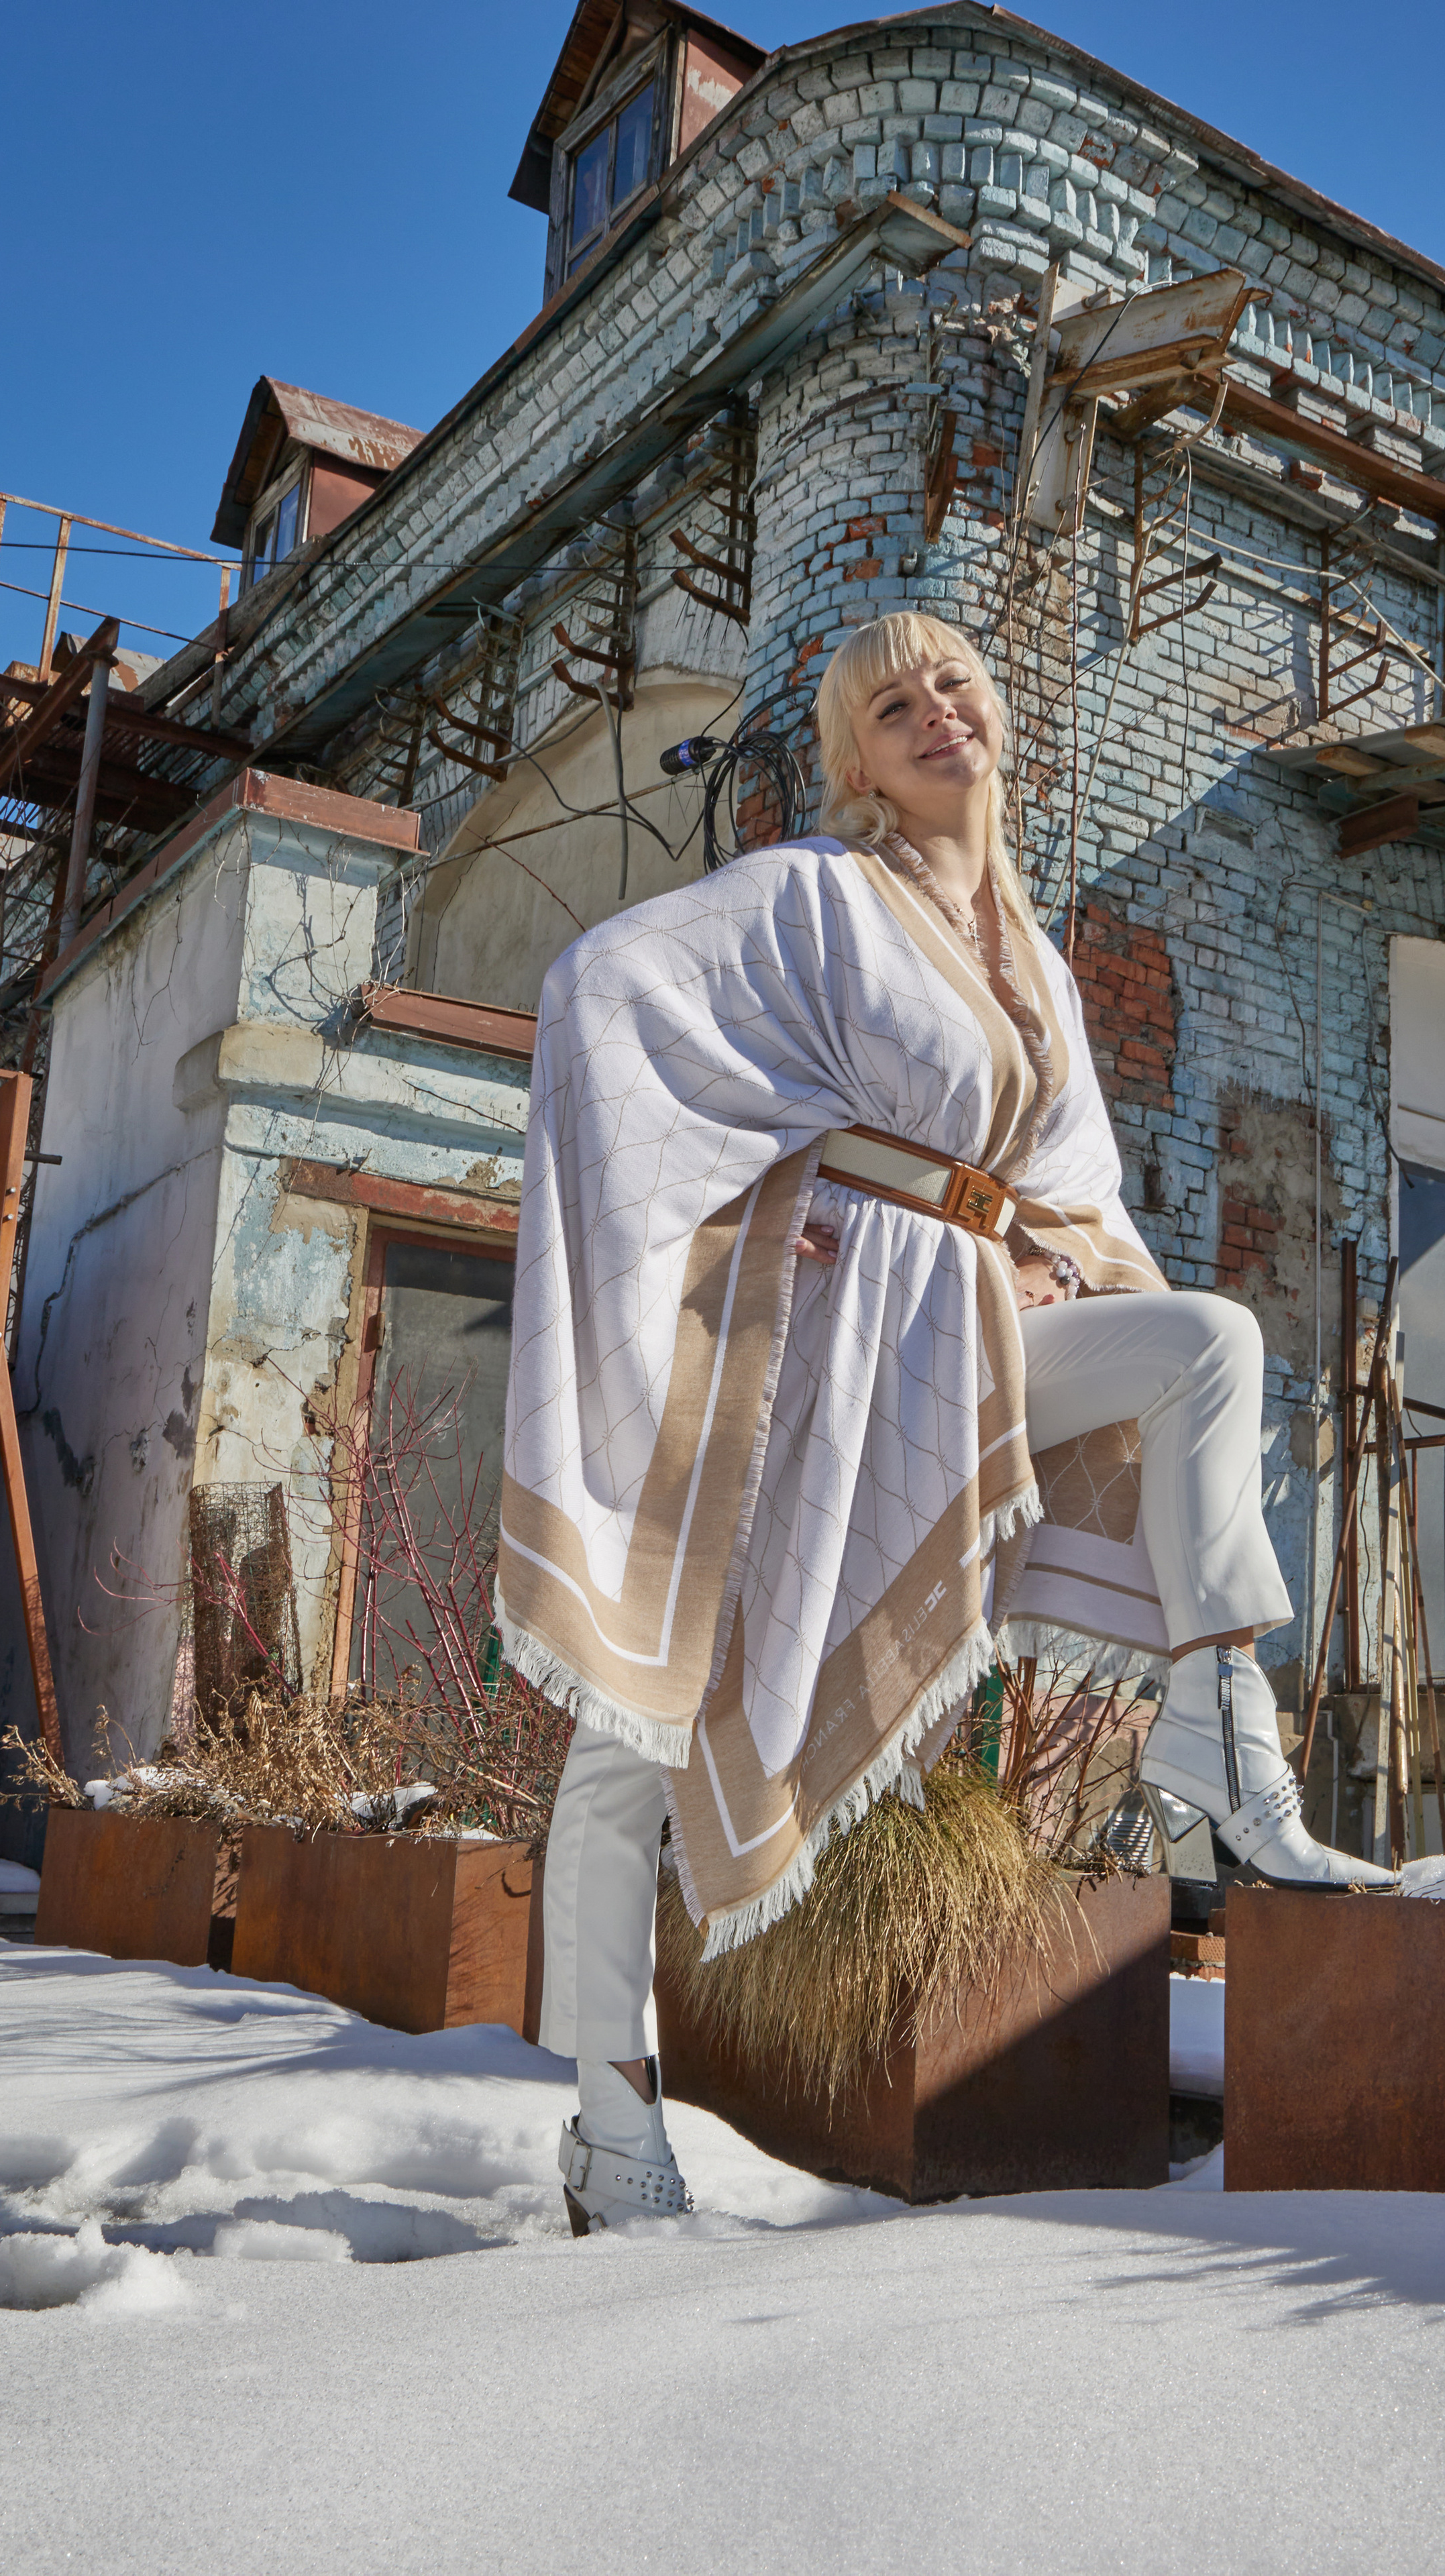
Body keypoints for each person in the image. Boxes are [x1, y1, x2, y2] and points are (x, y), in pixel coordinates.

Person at [500, 610, 1392, 2234]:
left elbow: (1079, 1190)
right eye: (890, 703)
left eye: (954, 687)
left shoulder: (1034, 960)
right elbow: (602, 995)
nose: (934, 713)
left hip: (966, 1333)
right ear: (853, 759)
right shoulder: (808, 895)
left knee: (1200, 1336)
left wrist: (1043, 1260)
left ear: (994, 722)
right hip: (814, 1338)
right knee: (642, 1720)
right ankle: (604, 2113)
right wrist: (777, 1188)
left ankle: (1217, 1723)